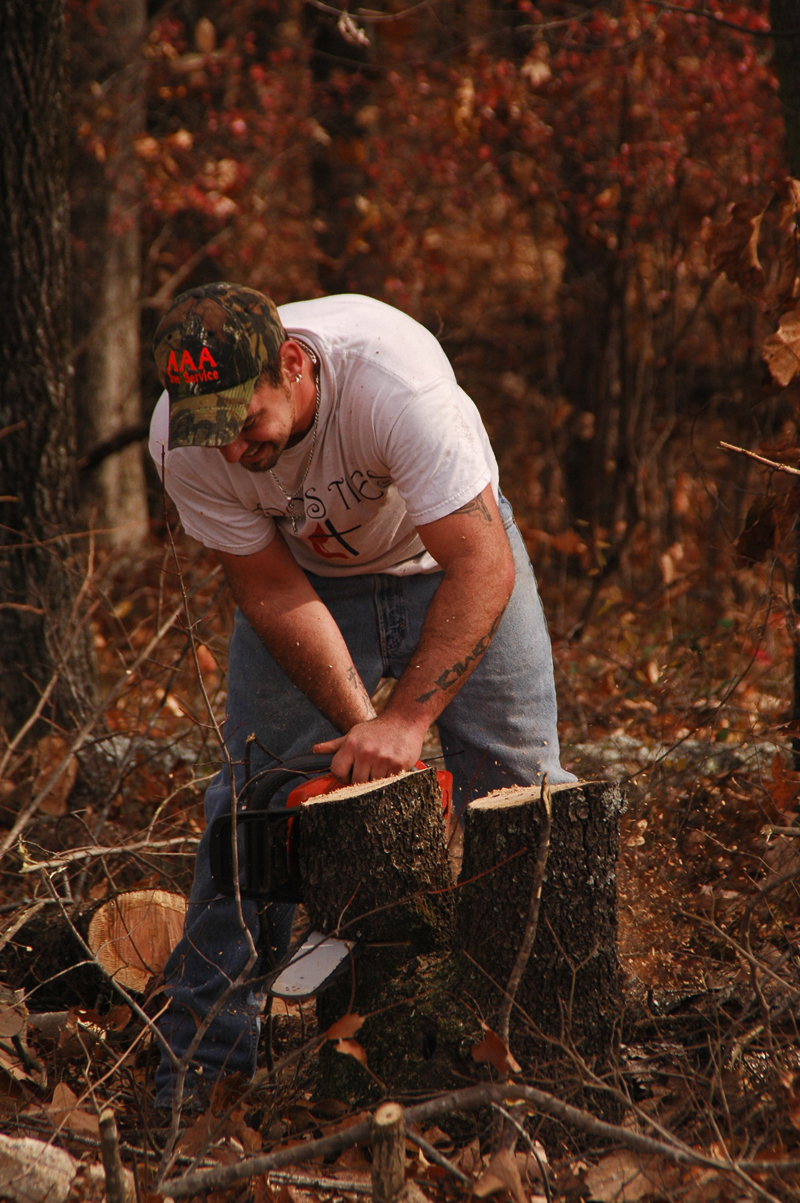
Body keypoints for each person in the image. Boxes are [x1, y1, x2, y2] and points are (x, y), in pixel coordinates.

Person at [149, 282, 575, 1105]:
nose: (233, 452)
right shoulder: (181, 441)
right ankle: (201, 1068)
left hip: (445, 560)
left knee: (523, 788)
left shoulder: (395, 385)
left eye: (246, 424)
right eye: (214, 434)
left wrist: (410, 718)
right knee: (256, 802)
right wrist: (362, 730)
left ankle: (544, 1049)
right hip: (309, 579)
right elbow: (268, 589)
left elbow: (483, 564)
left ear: (295, 365)